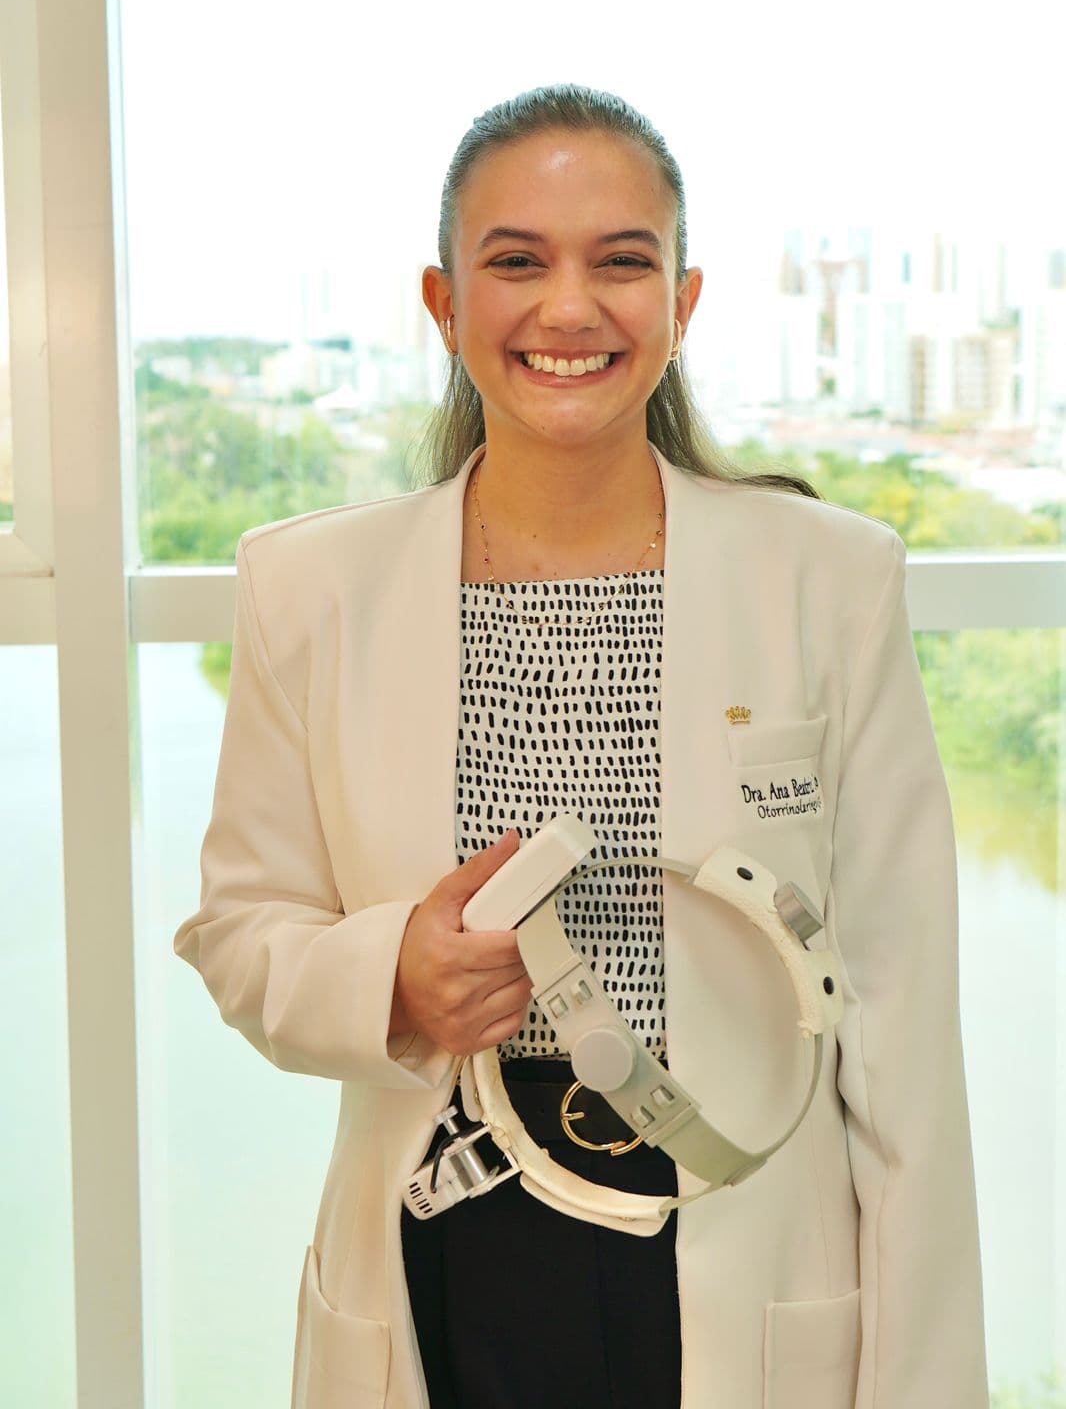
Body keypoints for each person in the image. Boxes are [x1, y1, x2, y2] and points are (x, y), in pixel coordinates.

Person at [174, 84, 989, 1409]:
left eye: (622, 261)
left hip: (737, 1252)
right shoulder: (311, 589)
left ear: (684, 300)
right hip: (444, 1251)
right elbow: (240, 927)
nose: (568, 308)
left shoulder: (825, 580)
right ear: (443, 304)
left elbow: (900, 1029)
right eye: (515, 262)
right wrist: (388, 977)